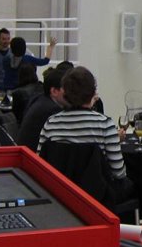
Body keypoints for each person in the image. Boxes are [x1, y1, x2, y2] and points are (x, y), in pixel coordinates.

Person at [38, 66, 132, 203]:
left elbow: (40, 164)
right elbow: (119, 172)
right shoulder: (105, 124)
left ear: (65, 92)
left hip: (59, 195)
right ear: (93, 92)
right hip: (97, 198)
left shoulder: (51, 123)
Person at [18, 67, 65, 148]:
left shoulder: (40, 100)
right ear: (54, 91)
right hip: (34, 153)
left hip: (26, 151)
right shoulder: (52, 110)